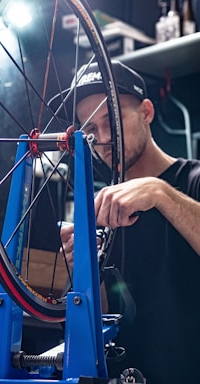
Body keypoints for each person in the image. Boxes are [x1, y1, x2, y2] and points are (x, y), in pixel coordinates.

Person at [48, 60, 200, 384]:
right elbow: (93, 331)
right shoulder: (99, 210)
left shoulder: (193, 181)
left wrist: (161, 192)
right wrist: (86, 271)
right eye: (90, 129)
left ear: (146, 112)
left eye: (112, 121)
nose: (103, 138)